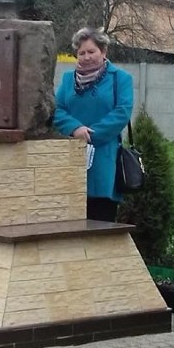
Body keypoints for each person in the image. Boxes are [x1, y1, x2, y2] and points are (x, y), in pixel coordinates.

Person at [53, 27, 133, 223]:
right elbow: (56, 109)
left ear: (103, 52)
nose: (86, 57)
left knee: (101, 220)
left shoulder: (120, 78)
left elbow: (122, 111)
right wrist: (75, 128)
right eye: (81, 53)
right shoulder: (67, 79)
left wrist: (90, 135)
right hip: (72, 156)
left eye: (91, 51)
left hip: (104, 155)